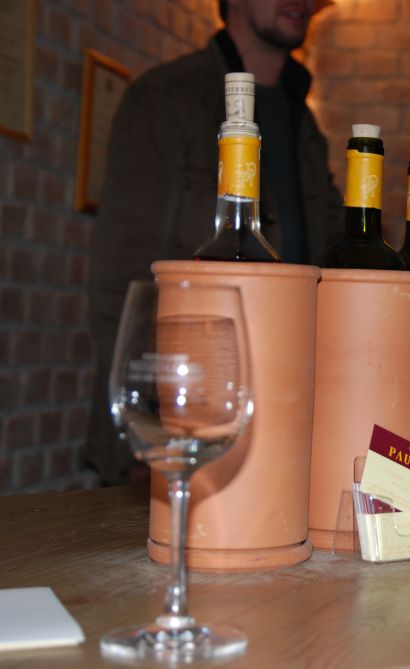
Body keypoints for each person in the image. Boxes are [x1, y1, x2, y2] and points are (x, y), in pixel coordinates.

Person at [86, 0, 344, 485]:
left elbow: (328, 263)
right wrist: (146, 433)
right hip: (183, 422)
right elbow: (122, 282)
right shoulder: (166, 98)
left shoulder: (305, 124)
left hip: (278, 419)